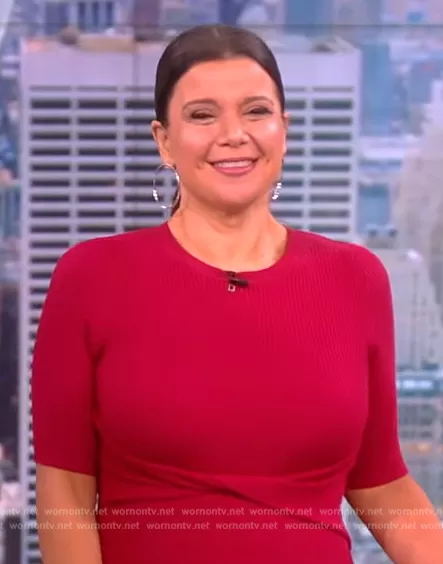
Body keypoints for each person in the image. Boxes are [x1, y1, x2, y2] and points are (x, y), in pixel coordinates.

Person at [31, 24, 443, 564]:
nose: (233, 134)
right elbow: (65, 497)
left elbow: (382, 484)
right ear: (164, 141)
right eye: (203, 115)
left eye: (256, 111)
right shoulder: (92, 277)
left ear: (283, 130)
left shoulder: (356, 278)